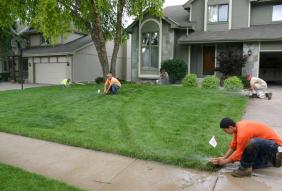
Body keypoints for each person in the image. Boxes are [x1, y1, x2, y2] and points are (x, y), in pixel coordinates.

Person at [210, 118, 282, 177]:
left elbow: (238, 152)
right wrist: (224, 158)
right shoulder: (237, 127)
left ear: (230, 127)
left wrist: (224, 162)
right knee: (246, 160)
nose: (225, 132)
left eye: (225, 130)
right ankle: (272, 161)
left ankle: (245, 169)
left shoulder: (242, 133)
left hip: (276, 147)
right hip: (267, 148)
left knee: (252, 143)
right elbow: (233, 145)